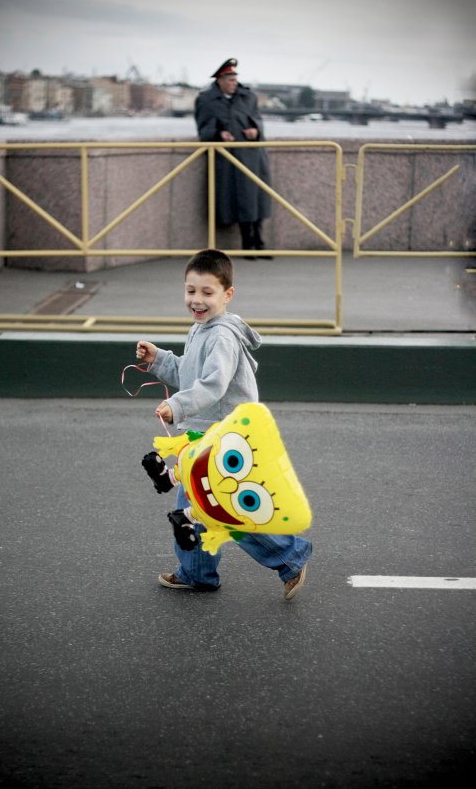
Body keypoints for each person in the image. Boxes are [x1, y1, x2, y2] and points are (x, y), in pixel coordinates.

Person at [136, 249, 311, 600]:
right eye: (191, 291)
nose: (196, 300)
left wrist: (177, 404)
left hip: (223, 441)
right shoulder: (202, 328)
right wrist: (159, 361)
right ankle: (197, 573)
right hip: (205, 439)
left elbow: (212, 384)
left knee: (223, 511)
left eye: (207, 292)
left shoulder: (222, 336)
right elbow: (190, 373)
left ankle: (290, 558)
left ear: (227, 295)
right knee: (201, 509)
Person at [195, 58, 272, 259]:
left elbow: (258, 121)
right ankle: (248, 245)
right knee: (241, 201)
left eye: (235, 79)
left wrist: (256, 131)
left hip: (253, 157)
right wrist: (219, 134)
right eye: (230, 79)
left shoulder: (248, 97)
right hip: (228, 160)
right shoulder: (206, 100)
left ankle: (260, 244)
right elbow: (203, 129)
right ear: (220, 80)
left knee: (258, 199)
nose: (234, 83)